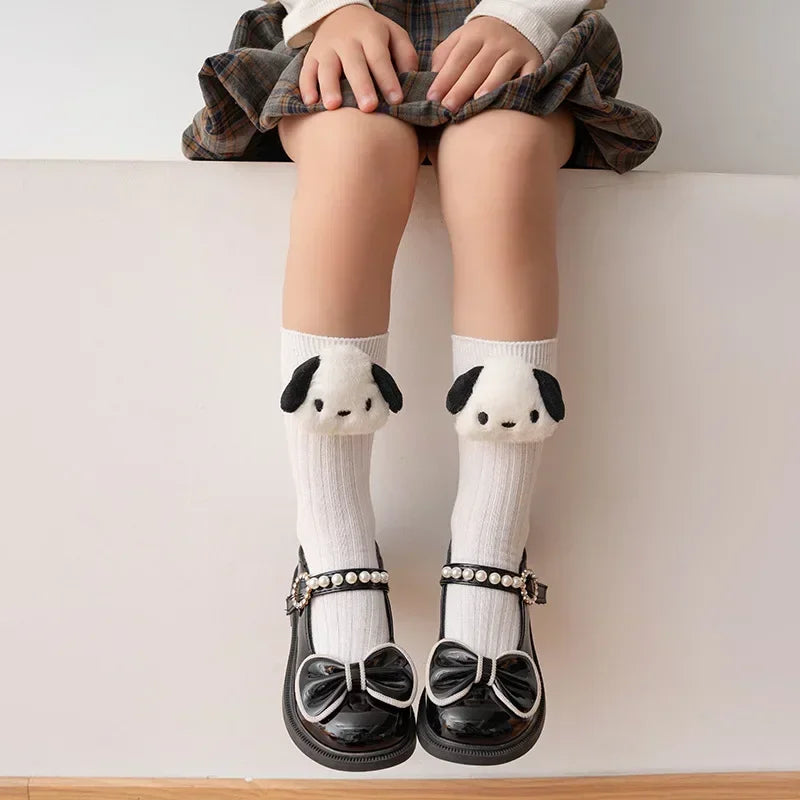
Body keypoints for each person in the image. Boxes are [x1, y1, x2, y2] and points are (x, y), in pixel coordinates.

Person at [183, 0, 660, 770]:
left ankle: (491, 551)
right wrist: (330, 11)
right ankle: (330, 546)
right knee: (354, 148)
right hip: (343, 43)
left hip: (515, 48)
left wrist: (527, 16)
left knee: (502, 155)